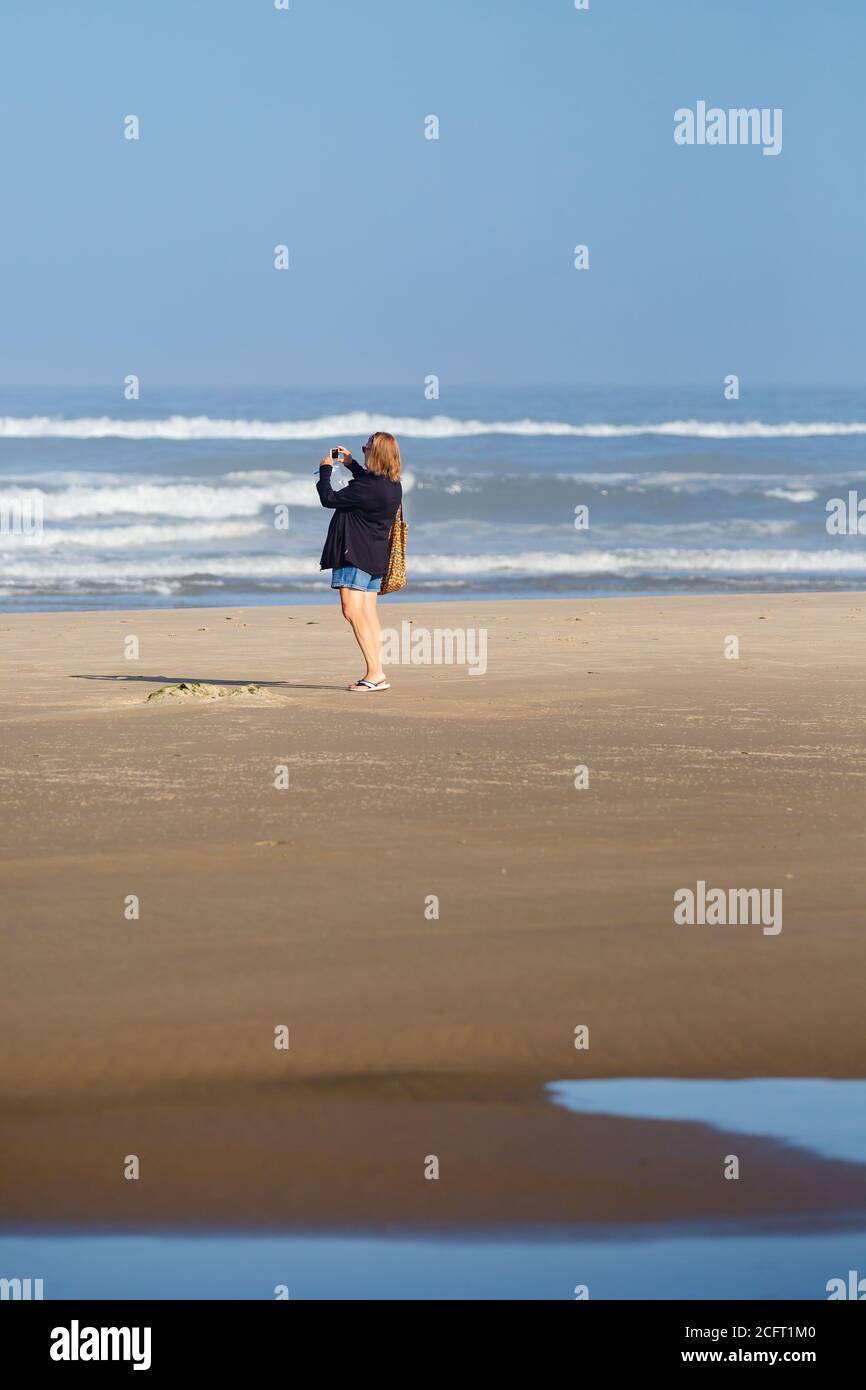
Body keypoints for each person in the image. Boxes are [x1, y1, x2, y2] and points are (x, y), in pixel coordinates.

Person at [317, 432, 403, 692]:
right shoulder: (391, 484)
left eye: (367, 446)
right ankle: (378, 672)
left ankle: (375, 673)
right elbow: (367, 483)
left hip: (353, 553)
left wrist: (325, 471)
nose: (363, 447)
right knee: (367, 614)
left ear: (375, 453)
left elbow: (328, 498)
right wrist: (352, 464)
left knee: (352, 612)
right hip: (375, 556)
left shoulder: (366, 488)